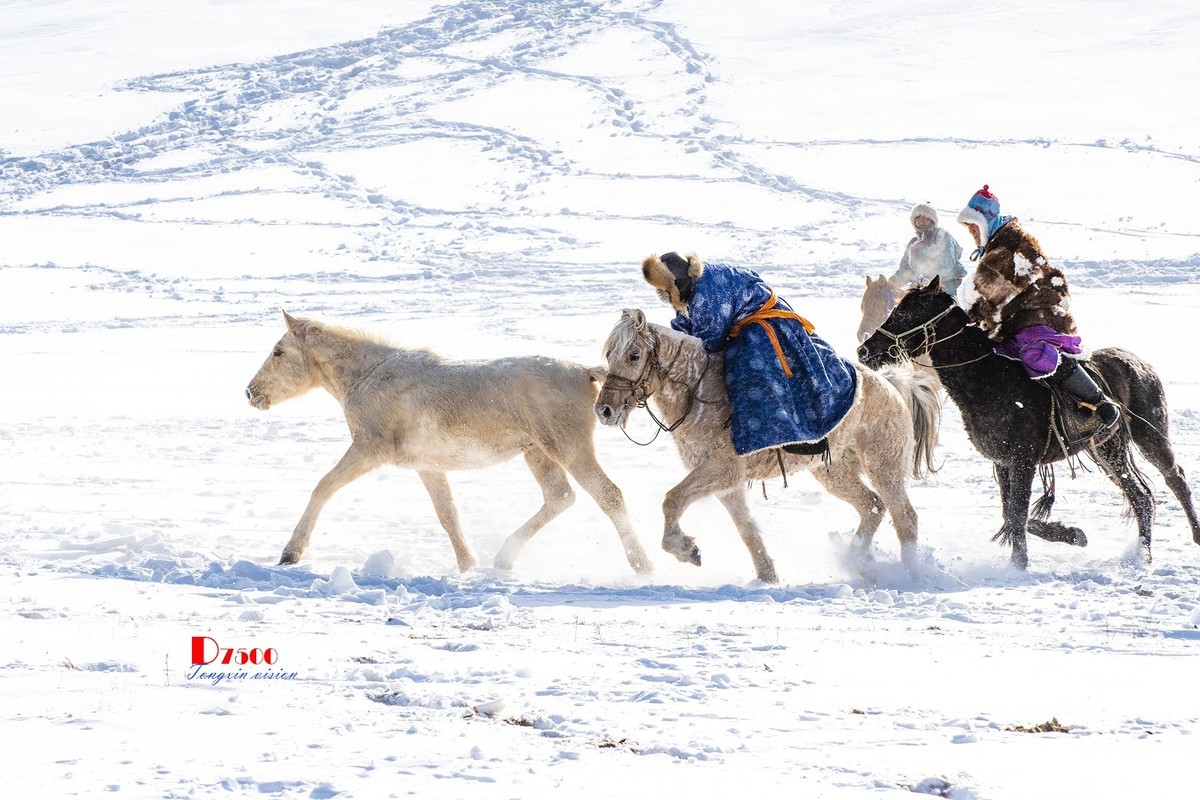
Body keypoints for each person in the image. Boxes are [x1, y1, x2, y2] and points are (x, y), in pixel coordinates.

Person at [641, 252, 858, 457]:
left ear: (677, 285)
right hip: (752, 319)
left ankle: (792, 432)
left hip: (765, 323)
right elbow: (687, 323)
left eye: (667, 291)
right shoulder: (693, 287)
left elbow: (708, 343)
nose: (667, 298)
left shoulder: (705, 295)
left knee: (746, 363)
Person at [956, 185, 1120, 428]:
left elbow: (1007, 286)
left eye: (974, 226)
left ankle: (1099, 400)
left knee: (1035, 352)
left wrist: (981, 305)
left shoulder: (1013, 241)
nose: (971, 232)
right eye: (968, 227)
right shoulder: (993, 247)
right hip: (1014, 320)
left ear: (985, 221)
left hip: (1038, 315)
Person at [889, 201, 967, 299]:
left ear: (932, 220)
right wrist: (894, 281)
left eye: (925, 218)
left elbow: (947, 265)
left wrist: (928, 278)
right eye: (918, 218)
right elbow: (905, 269)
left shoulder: (942, 237)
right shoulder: (913, 243)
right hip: (924, 288)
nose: (922, 221)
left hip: (948, 286)